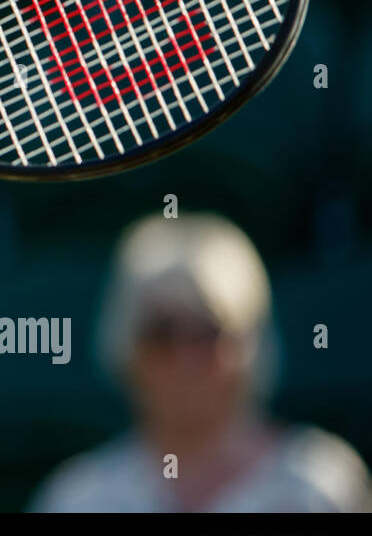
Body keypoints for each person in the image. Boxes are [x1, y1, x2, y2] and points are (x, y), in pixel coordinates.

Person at [29, 212, 371, 512]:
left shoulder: (320, 486)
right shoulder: (77, 499)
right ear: (127, 346)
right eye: (162, 332)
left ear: (248, 341)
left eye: (208, 331)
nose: (186, 356)